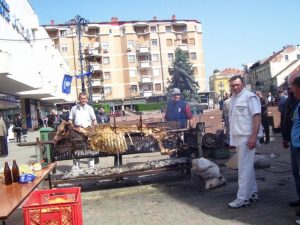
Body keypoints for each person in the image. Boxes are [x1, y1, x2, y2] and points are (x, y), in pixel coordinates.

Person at [228, 75, 262, 208]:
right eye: (233, 85)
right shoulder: (233, 99)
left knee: (243, 168)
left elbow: (257, 117)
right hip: (238, 137)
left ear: (243, 84)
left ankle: (242, 198)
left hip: (247, 137)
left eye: (237, 84)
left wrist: (253, 136)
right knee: (248, 167)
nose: (235, 87)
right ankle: (252, 193)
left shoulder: (250, 97)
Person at [281, 86, 300, 207]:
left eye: (292, 87)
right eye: (288, 88)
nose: (290, 90)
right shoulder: (289, 100)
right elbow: (286, 119)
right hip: (293, 140)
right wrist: (285, 137)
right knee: (296, 171)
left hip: (298, 142)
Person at [69, 92, 97, 169]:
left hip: (88, 131)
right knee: (77, 149)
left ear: (87, 99)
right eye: (82, 98)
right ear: (79, 99)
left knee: (90, 149)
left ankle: (91, 168)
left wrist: (94, 129)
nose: (83, 100)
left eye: (85, 98)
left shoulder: (90, 108)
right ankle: (77, 167)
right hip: (77, 131)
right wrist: (72, 128)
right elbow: (70, 120)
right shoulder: (73, 108)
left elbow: (94, 120)